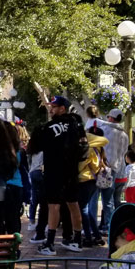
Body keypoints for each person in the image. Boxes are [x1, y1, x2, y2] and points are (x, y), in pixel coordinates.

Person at [27, 95, 85, 255]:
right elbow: (83, 147)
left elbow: (34, 148)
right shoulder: (76, 124)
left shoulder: (47, 128)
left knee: (53, 206)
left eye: (54, 106)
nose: (51, 109)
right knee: (73, 204)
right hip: (72, 171)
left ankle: (50, 243)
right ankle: (77, 241)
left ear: (62, 108)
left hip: (54, 171)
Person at [92, 109, 130, 232]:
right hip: (114, 169)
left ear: (111, 118)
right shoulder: (124, 135)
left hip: (100, 167)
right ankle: (108, 226)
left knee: (94, 198)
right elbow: (124, 153)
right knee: (108, 201)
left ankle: (92, 226)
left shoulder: (105, 130)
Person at [77, 125, 109, 247]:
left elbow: (82, 165)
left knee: (83, 210)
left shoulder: (90, 149)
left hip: (85, 180)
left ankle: (89, 238)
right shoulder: (99, 148)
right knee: (86, 209)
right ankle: (96, 235)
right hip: (94, 180)